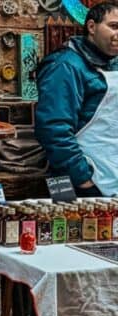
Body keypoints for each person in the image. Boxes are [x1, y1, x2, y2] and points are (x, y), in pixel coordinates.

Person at [35, 3, 118, 197]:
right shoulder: (64, 65)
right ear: (91, 27)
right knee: (70, 226)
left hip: (111, 175)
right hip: (75, 181)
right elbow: (53, 128)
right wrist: (82, 179)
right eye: (114, 26)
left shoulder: (112, 64)